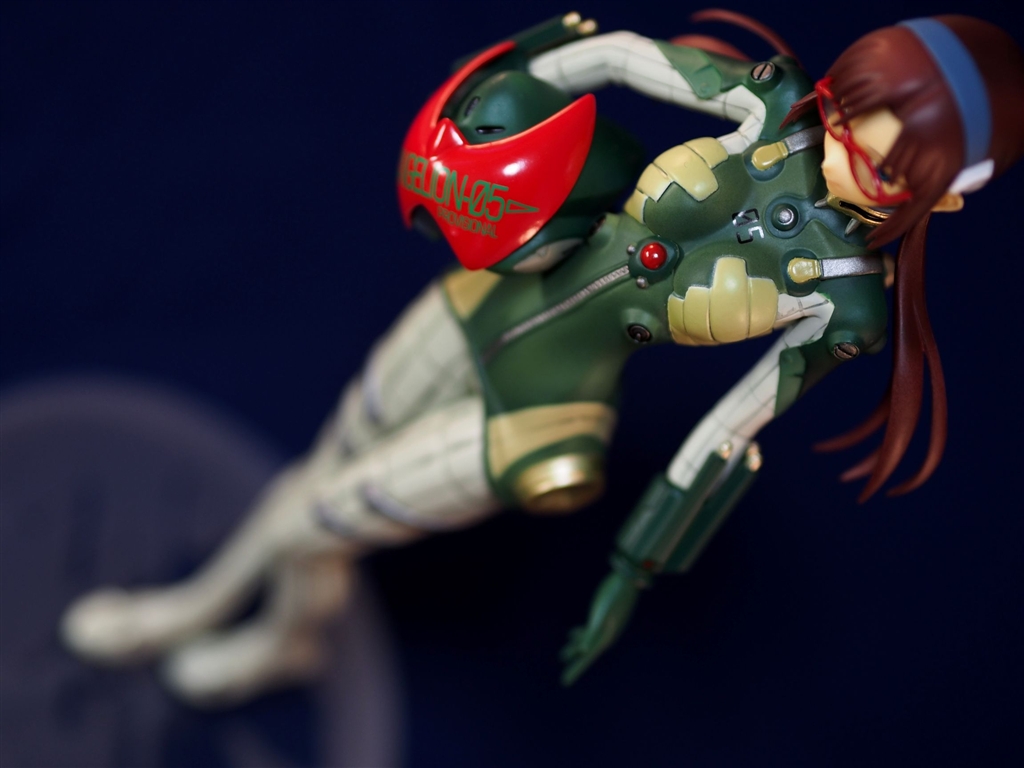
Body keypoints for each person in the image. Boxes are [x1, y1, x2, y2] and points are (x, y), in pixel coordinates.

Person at [60, 12, 1024, 704]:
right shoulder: (768, 106)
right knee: (319, 486)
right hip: (484, 303)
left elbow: (728, 433)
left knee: (308, 511)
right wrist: (499, 97)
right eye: (845, 111)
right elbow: (611, 53)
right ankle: (288, 636)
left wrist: (633, 571)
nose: (843, 147)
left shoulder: (847, 302)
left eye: (885, 165)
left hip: (541, 417)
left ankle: (188, 610)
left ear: (946, 193)